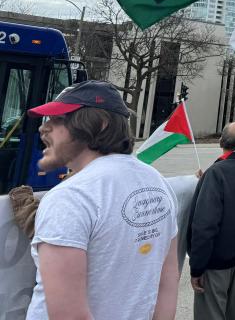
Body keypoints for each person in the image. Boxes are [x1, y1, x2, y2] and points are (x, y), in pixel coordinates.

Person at [25, 81, 179, 320]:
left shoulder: (70, 197)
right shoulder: (158, 183)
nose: (44, 130)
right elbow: (167, 284)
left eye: (58, 121)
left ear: (99, 125)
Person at [188, 122, 235, 320]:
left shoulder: (217, 173)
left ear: (221, 141)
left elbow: (204, 226)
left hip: (215, 263)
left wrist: (197, 266)